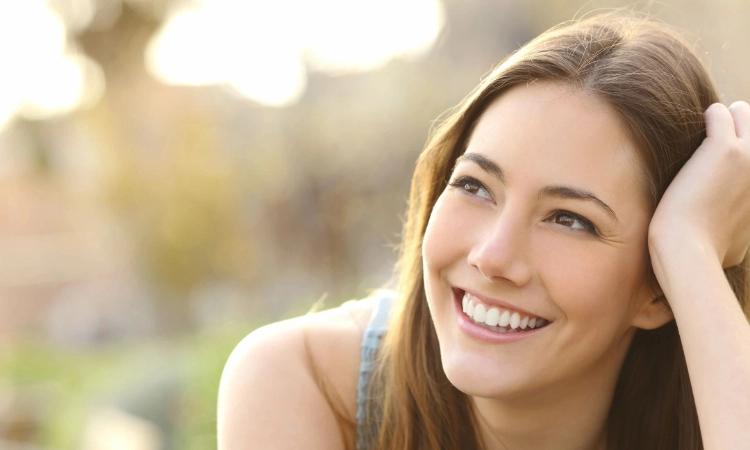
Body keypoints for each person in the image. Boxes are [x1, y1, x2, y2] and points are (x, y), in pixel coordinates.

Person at [217, 13, 750, 450]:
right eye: (474, 186)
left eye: (570, 219)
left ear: (659, 291)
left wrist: (691, 250)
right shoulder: (300, 384)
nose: (493, 256)